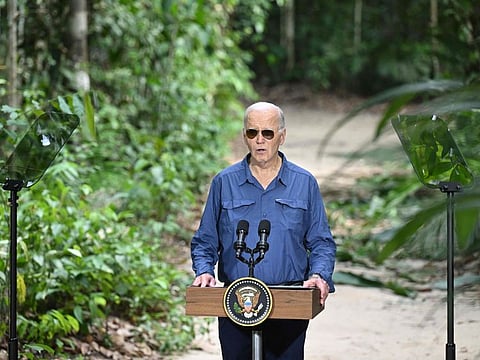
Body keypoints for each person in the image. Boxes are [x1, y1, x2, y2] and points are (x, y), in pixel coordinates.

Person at [190, 101, 336, 360]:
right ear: (244, 136)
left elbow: (321, 242)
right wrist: (203, 272)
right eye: (252, 133)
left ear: (282, 136)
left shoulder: (304, 183)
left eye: (267, 133)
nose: (260, 140)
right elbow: (205, 241)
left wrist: (319, 275)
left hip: (289, 301)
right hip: (236, 300)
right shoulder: (225, 182)